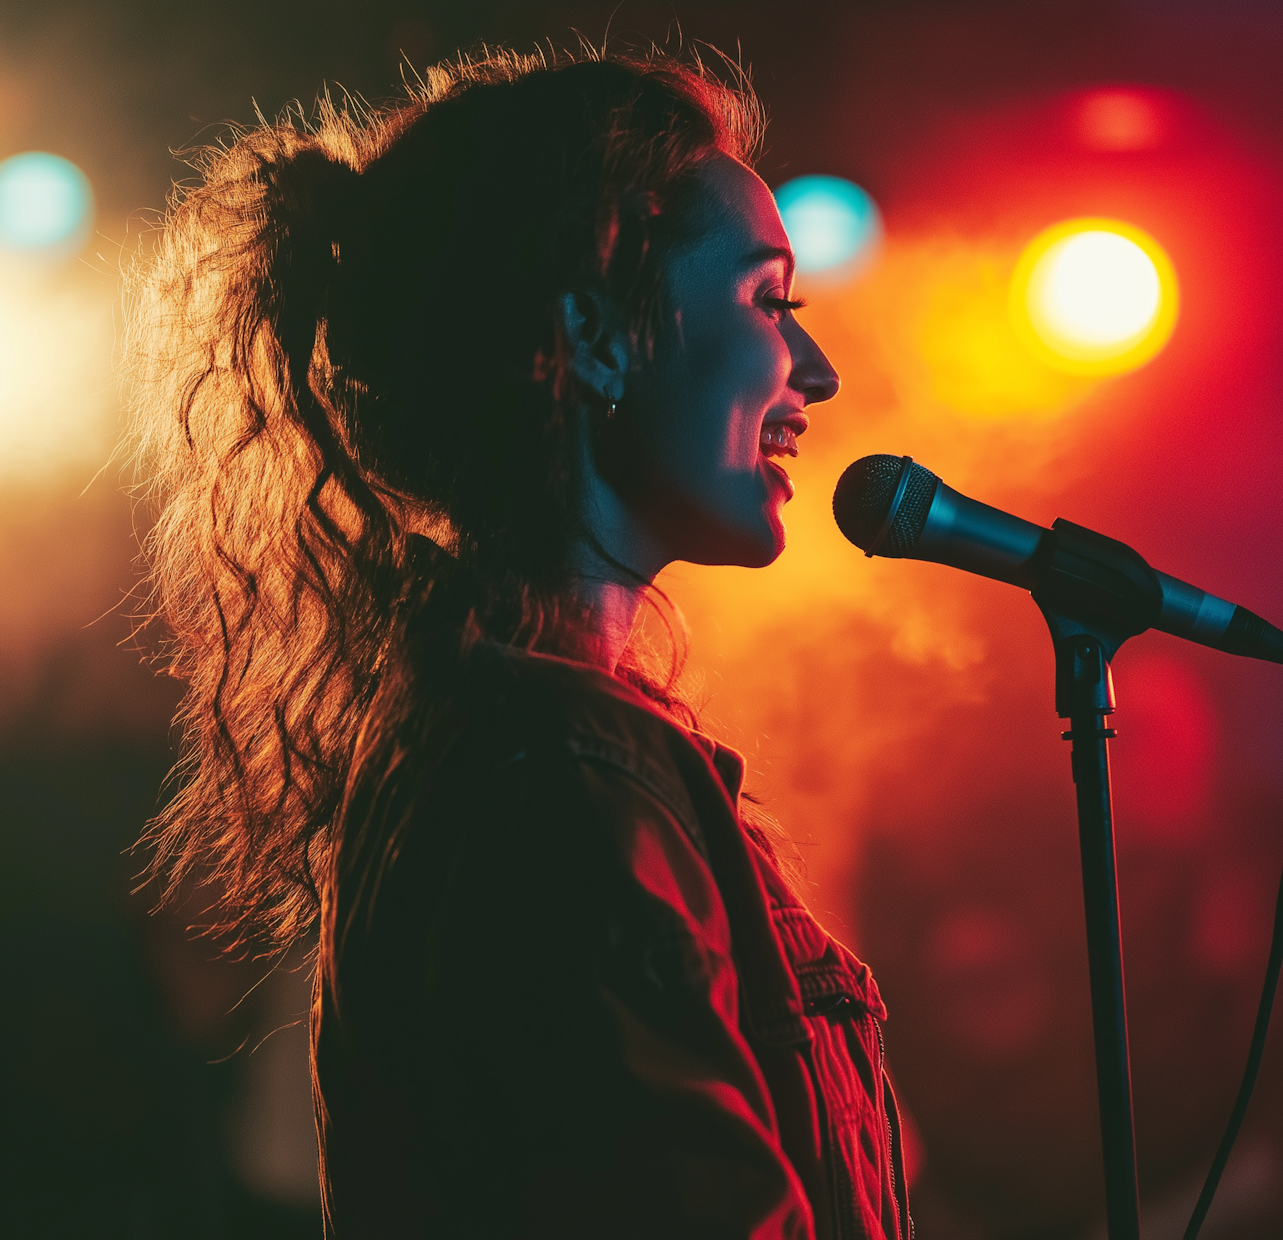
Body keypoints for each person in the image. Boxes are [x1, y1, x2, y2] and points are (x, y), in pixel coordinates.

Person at [128, 45, 911, 1238]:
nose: (816, 368)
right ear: (593, 332)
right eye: (768, 300)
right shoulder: (557, 776)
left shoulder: (515, 739)